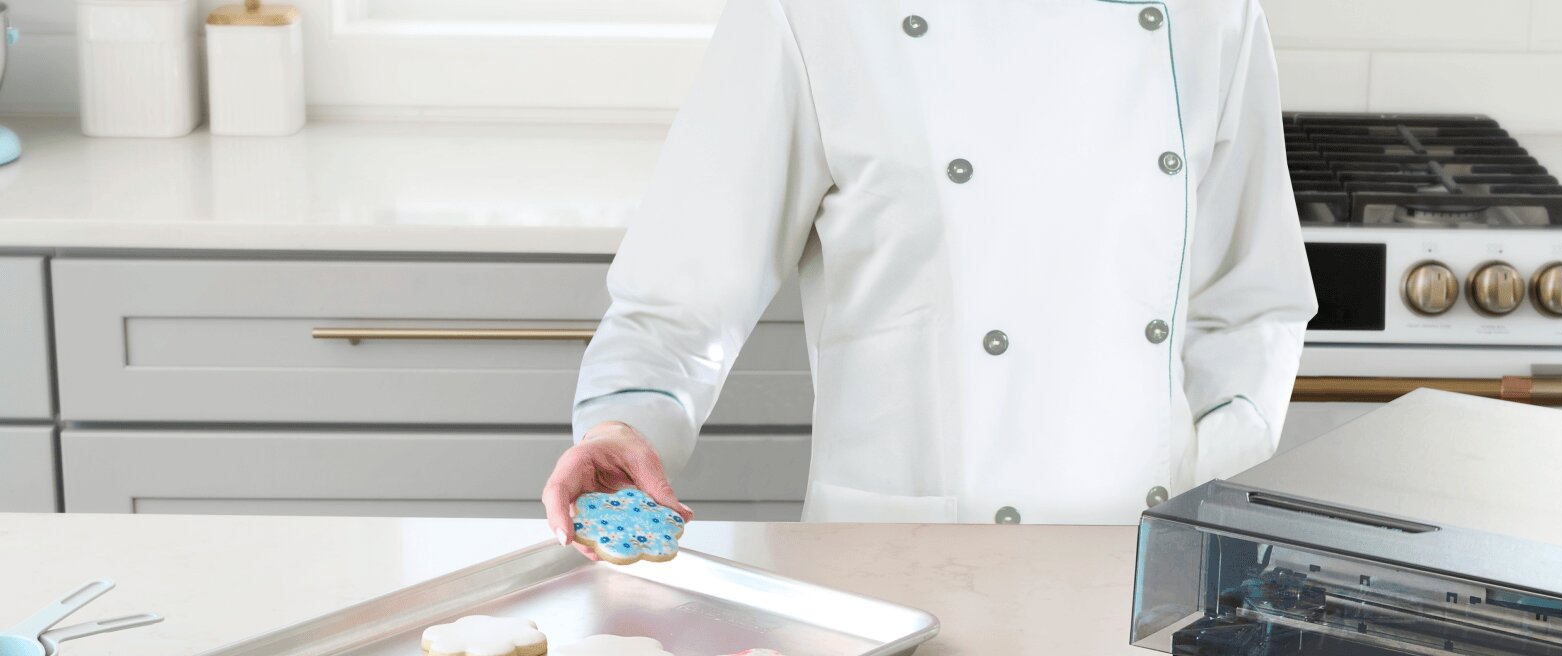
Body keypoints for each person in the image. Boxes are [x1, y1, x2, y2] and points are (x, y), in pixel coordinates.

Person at [543, 0, 1315, 545]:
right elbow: (679, 299)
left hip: (1141, 564)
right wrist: (624, 428)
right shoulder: (817, 14)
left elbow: (1251, 305)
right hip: (905, 562)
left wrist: (1206, 482)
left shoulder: (1214, 14)